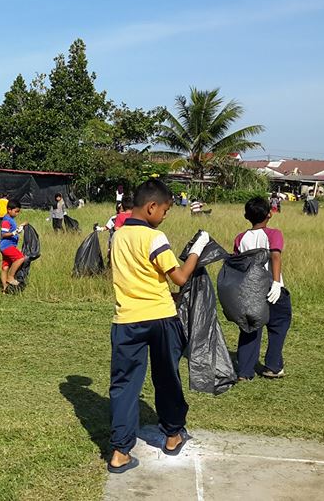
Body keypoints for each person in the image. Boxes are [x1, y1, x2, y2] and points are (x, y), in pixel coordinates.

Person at [107, 179, 210, 473]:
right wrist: (196, 252)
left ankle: (120, 452)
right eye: (164, 210)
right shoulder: (155, 237)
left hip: (126, 319)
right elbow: (178, 276)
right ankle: (173, 435)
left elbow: (141, 278)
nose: (164, 216)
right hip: (161, 318)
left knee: (124, 385)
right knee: (166, 377)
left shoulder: (118, 236)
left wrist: (167, 292)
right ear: (151, 207)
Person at [234, 197, 291, 380]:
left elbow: (238, 264)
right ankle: (273, 366)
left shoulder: (240, 238)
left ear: (246, 216)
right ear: (270, 214)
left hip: (251, 290)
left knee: (250, 328)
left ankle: (244, 371)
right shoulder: (274, 234)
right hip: (272, 288)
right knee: (279, 325)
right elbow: (275, 256)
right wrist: (276, 282)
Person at [0, 200, 27, 293]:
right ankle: (10, 277)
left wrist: (21, 226)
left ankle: (4, 289)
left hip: (5, 247)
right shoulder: (6, 220)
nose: (17, 213)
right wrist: (15, 232)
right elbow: (4, 234)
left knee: (5, 267)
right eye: (16, 211)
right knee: (20, 258)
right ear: (9, 210)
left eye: (18, 211)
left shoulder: (11, 220)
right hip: (7, 246)